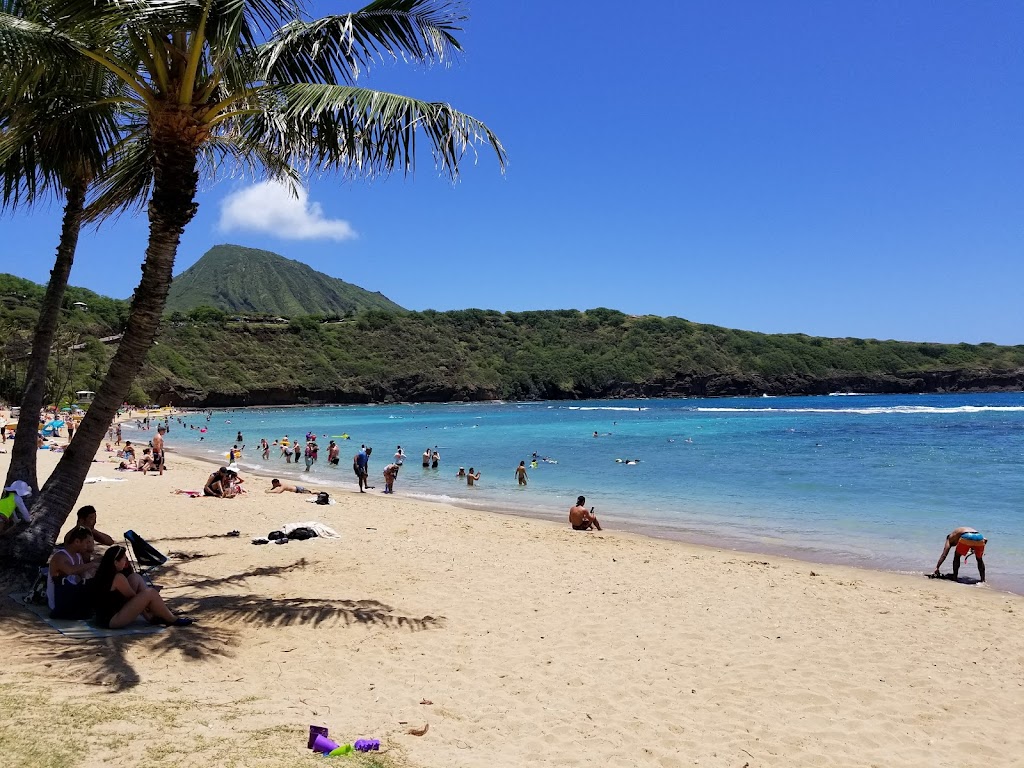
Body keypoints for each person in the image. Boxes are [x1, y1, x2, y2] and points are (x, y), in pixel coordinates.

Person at [91, 545, 192, 628]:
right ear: (116, 562)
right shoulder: (118, 577)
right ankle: (172, 619)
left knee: (135, 577)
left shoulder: (105, 573)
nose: (126, 561)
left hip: (103, 617)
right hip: (112, 620)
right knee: (151, 593)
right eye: (123, 559)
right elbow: (133, 597)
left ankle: (155, 615)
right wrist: (148, 600)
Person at [47, 527, 97, 619]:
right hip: (59, 599)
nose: (87, 546)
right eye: (86, 543)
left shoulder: (78, 556)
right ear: (77, 542)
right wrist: (92, 564)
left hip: (72, 593)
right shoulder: (60, 556)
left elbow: (84, 576)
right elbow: (70, 570)